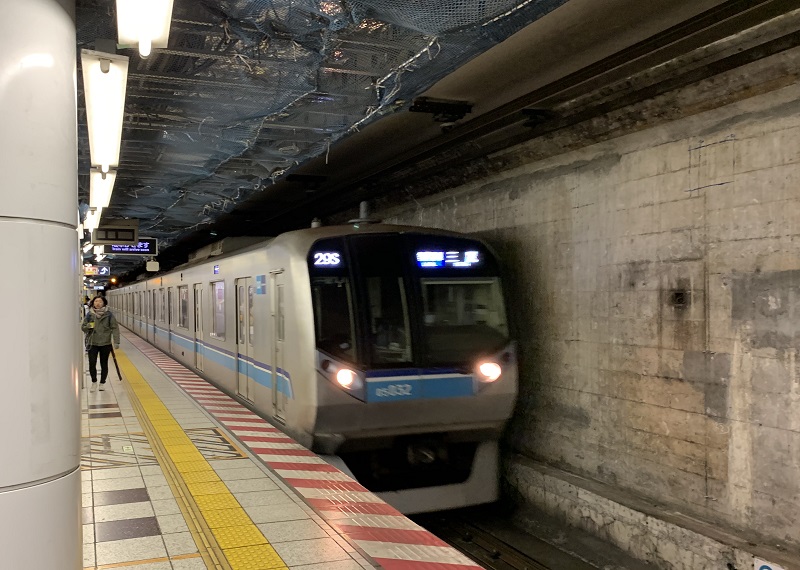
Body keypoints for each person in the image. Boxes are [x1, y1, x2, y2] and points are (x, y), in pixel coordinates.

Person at [81, 296, 120, 391]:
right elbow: (83, 327)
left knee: (104, 363)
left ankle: (102, 383)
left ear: (104, 303)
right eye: (96, 301)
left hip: (105, 343)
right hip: (92, 342)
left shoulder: (109, 315)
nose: (98, 303)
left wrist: (116, 341)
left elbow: (115, 328)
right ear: (93, 303)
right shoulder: (89, 315)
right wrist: (89, 326)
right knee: (92, 363)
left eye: (100, 301)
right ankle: (94, 382)